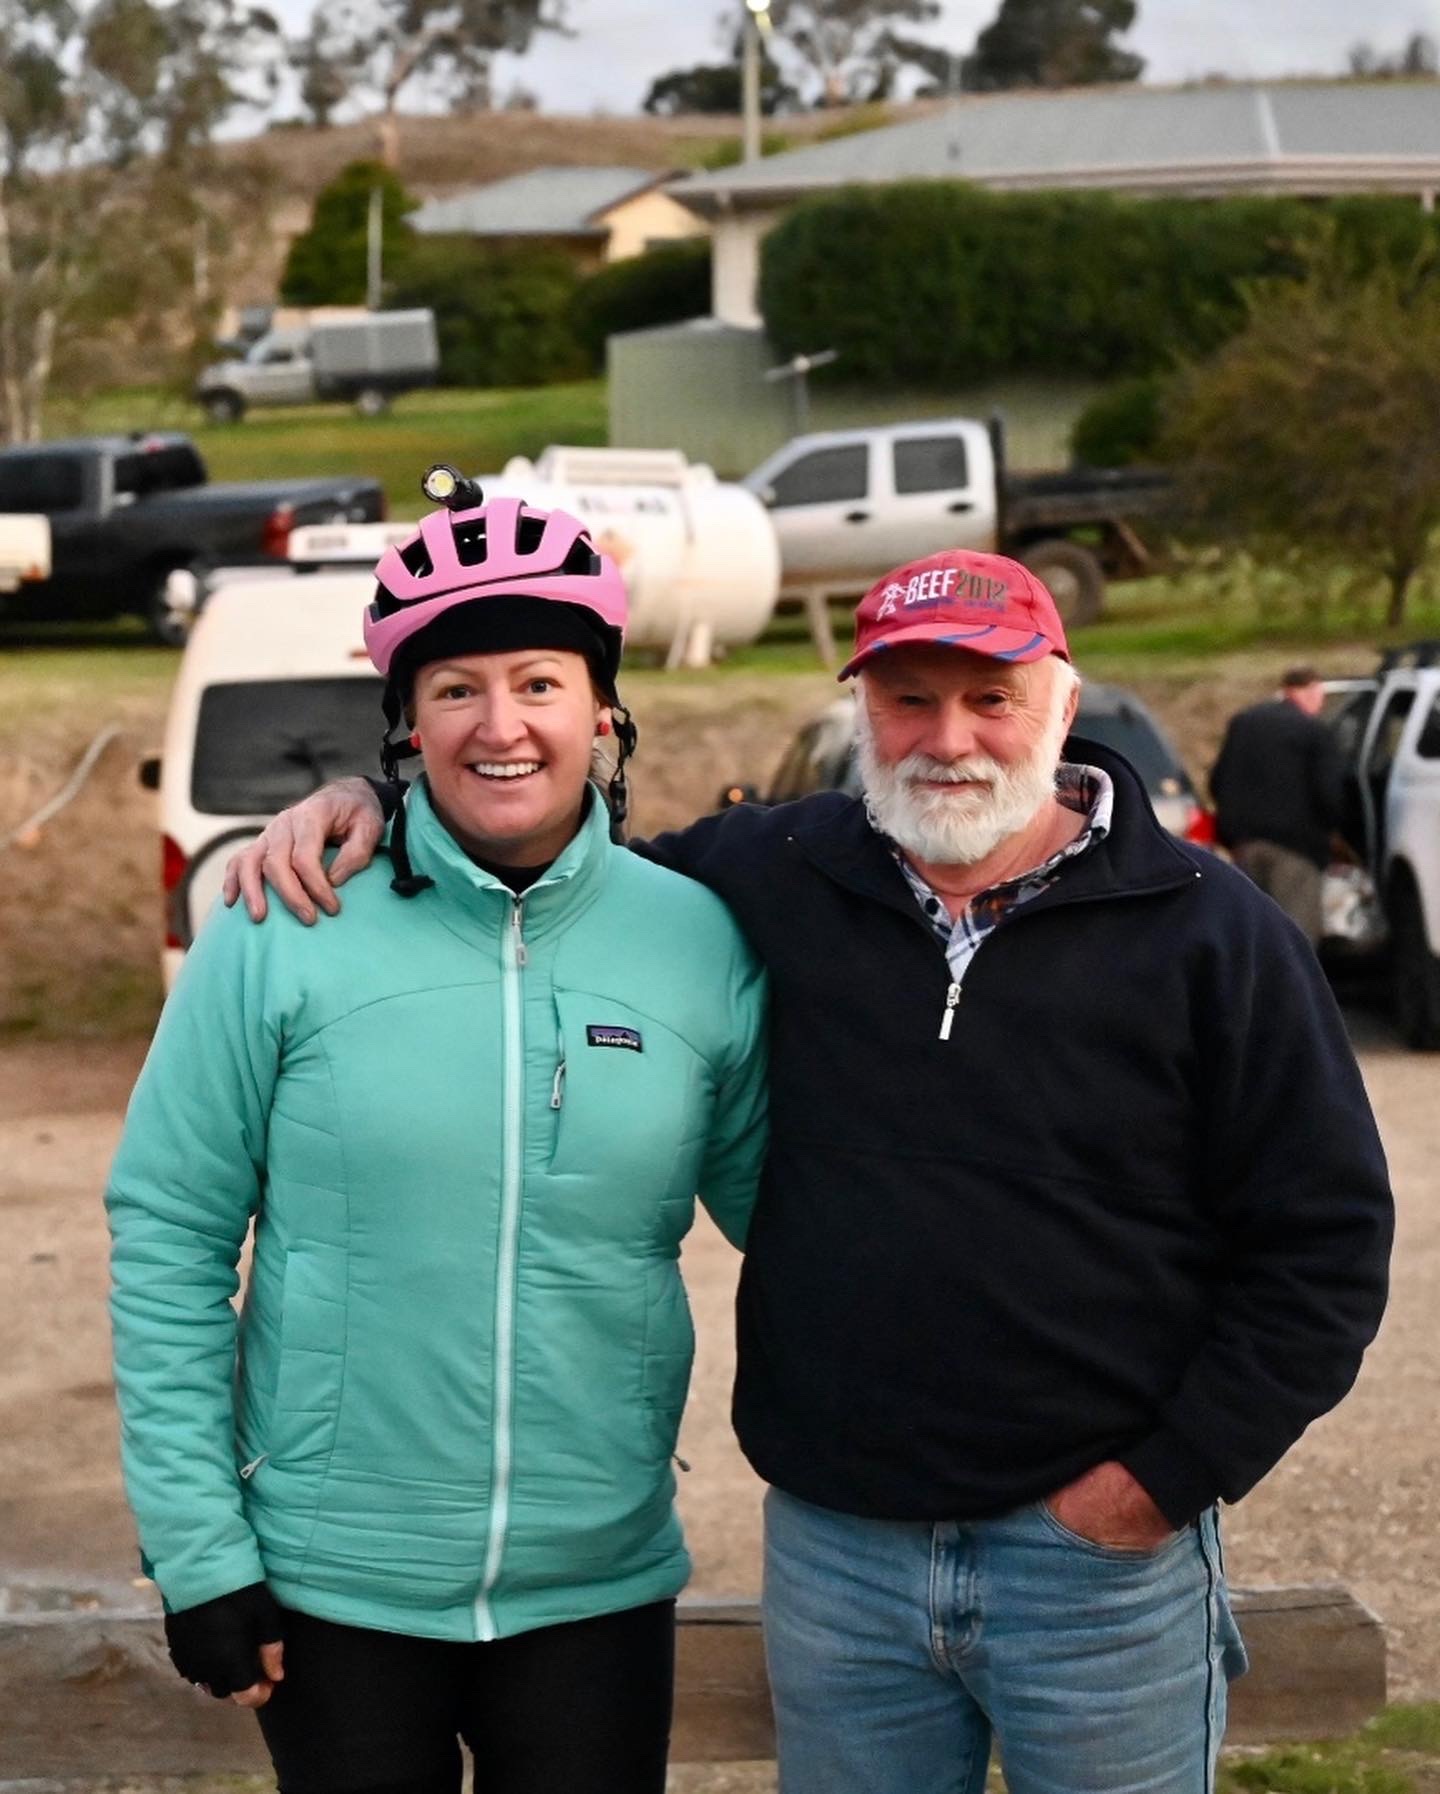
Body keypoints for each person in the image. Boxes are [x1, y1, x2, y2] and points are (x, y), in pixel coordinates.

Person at [226, 547, 1393, 1794]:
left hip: (1099, 1564)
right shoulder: (767, 873)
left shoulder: (1214, 931)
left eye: (990, 698)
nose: (948, 736)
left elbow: (1323, 1249)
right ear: (861, 711)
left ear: (1060, 704)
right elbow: (545, 848)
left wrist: (1155, 1488)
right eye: (908, 698)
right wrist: (367, 797)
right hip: (843, 1558)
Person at [107, 478, 769, 1794]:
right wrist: (199, 1548)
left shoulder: (698, 938)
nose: (501, 722)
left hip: (596, 1579)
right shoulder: (277, 919)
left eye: (540, 680)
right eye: (455, 686)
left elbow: (801, 1220)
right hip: (334, 1585)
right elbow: (169, 1236)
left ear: (603, 710)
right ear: (404, 721)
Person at [1209, 665, 1350, 944]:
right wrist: (1339, 832)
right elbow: (1328, 793)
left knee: (1251, 936)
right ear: (1308, 691)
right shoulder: (1313, 731)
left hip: (1244, 846)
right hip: (1296, 851)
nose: (1320, 704)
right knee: (1295, 940)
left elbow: (1217, 781)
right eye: (1319, 696)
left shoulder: (1244, 723)